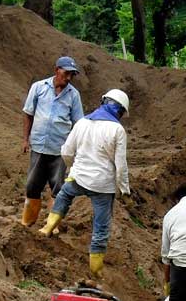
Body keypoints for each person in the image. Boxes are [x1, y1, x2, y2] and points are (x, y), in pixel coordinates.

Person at [38, 89, 131, 278]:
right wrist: (124, 189)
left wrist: (75, 168)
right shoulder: (117, 130)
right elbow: (121, 166)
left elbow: (66, 151)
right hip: (103, 185)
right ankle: (96, 269)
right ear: (120, 111)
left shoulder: (82, 123)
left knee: (64, 196)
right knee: (101, 225)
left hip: (78, 177)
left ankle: (47, 228)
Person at [19, 56, 84, 227]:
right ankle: (28, 221)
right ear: (57, 70)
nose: (69, 78)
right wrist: (25, 139)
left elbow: (79, 123)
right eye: (66, 73)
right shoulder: (39, 88)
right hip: (39, 146)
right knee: (32, 186)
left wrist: (76, 147)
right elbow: (28, 113)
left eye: (72, 75)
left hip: (60, 150)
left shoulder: (73, 95)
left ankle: (51, 225)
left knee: (58, 187)